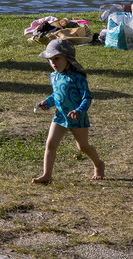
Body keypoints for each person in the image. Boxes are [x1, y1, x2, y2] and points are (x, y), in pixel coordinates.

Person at [32, 38, 103, 183]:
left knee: (82, 147)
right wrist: (47, 102)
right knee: (50, 144)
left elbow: (87, 98)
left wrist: (79, 111)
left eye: (57, 58)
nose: (53, 62)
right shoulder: (54, 76)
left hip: (78, 118)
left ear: (68, 58)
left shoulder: (78, 78)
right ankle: (47, 175)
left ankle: (98, 164)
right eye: (50, 59)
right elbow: (56, 94)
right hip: (60, 116)